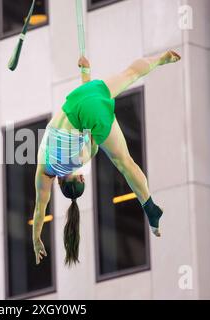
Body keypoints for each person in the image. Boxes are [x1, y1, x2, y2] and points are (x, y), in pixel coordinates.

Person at [32, 50, 181, 266]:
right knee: (130, 73)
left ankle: (150, 207)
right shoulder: (44, 169)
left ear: (81, 178)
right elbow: (39, 210)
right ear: (59, 182)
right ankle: (160, 59)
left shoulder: (80, 160)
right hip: (80, 96)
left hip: (89, 114)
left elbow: (91, 129)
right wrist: (35, 239)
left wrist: (40, 242)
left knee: (125, 162)